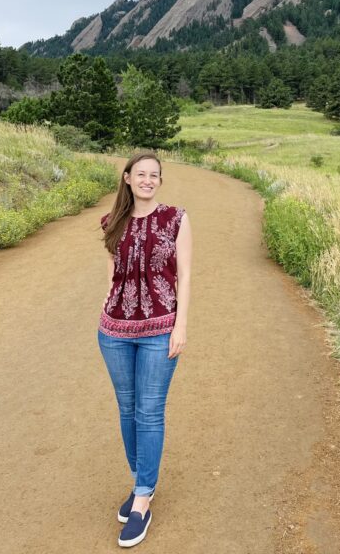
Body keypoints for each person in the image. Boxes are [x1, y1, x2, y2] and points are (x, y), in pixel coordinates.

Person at [97, 152, 192, 548]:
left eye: (154, 175)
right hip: (114, 331)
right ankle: (142, 482)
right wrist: (106, 301)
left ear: (160, 181)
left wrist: (180, 325)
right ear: (127, 179)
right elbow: (112, 269)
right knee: (126, 408)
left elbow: (185, 275)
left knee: (149, 412)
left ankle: (142, 499)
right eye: (141, 174)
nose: (148, 180)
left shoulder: (177, 219)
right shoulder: (112, 221)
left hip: (159, 329)